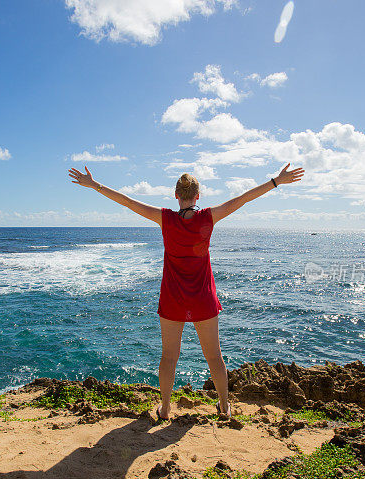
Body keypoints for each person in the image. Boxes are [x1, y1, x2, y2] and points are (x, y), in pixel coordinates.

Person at [68, 162, 305, 420]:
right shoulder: (207, 217)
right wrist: (276, 182)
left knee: (169, 356)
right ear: (198, 196)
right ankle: (224, 407)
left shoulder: (165, 218)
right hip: (203, 299)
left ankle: (166, 408)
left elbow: (128, 202)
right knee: (214, 356)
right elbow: (242, 199)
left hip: (173, 299)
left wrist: (95, 185)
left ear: (176, 195)